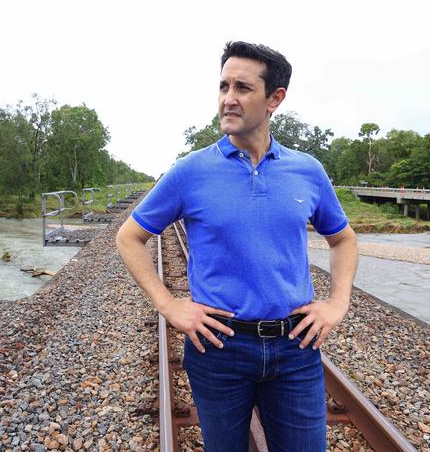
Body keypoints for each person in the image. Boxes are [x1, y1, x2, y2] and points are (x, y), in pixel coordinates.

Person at [116, 41, 358, 451]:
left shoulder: (308, 171)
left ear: (274, 99)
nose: (228, 99)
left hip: (295, 346)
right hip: (219, 349)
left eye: (243, 88)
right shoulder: (191, 171)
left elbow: (344, 239)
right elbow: (130, 237)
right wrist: (168, 304)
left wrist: (337, 303)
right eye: (223, 86)